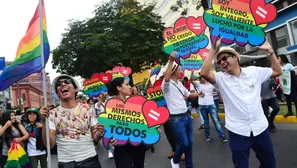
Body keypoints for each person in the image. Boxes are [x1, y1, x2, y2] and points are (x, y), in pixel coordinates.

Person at [200, 38, 282, 168]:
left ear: (236, 58)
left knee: (269, 164)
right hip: (238, 132)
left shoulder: (254, 71)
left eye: (225, 58)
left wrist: (270, 51)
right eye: (219, 61)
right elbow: (203, 73)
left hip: (260, 129)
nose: (222, 62)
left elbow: (278, 71)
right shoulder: (221, 78)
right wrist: (213, 50)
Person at [39, 74, 104, 168]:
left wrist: (99, 133)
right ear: (57, 93)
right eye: (59, 84)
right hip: (66, 163)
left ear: (76, 88)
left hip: (90, 160)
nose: (62, 84)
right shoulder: (52, 113)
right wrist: (43, 121)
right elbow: (49, 144)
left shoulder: (88, 109)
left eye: (67, 82)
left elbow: (95, 137)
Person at [162, 51, 204, 168]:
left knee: (189, 143)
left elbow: (189, 95)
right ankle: (175, 160)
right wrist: (171, 60)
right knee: (184, 143)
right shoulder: (166, 85)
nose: (180, 70)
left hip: (186, 116)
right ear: (174, 70)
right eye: (178, 68)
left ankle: (189, 165)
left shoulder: (179, 84)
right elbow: (166, 79)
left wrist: (198, 94)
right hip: (176, 119)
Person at [107, 77, 148, 168]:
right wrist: (110, 139)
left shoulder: (133, 101)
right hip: (122, 146)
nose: (130, 87)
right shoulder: (111, 105)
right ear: (119, 88)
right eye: (127, 85)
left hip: (138, 143)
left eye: (129, 85)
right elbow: (107, 126)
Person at [194, 76, 227, 142]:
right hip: (202, 106)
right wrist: (192, 71)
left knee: (215, 120)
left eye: (202, 77)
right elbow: (191, 80)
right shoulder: (198, 84)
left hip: (211, 105)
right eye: (200, 78)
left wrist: (220, 95)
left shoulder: (211, 85)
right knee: (206, 122)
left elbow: (218, 90)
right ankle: (207, 135)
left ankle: (222, 136)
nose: (200, 79)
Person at [94, 92, 114, 159]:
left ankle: (114, 145)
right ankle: (109, 151)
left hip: (111, 121)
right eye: (100, 95)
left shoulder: (108, 101)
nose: (102, 95)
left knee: (112, 135)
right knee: (105, 137)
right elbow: (98, 106)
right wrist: (100, 98)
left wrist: (106, 96)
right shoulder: (97, 104)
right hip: (103, 123)